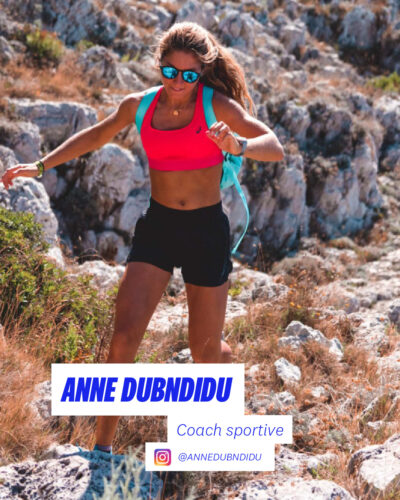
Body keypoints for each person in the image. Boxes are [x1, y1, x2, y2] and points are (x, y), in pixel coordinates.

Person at [0, 21, 284, 454]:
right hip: (159, 227)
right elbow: (96, 134)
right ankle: (101, 450)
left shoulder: (216, 105)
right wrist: (39, 166)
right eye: (170, 71)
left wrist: (238, 146)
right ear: (159, 66)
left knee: (206, 352)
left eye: (189, 75)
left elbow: (274, 145)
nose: (178, 82)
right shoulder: (140, 105)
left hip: (206, 231)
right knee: (124, 335)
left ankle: (223, 398)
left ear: (202, 74)